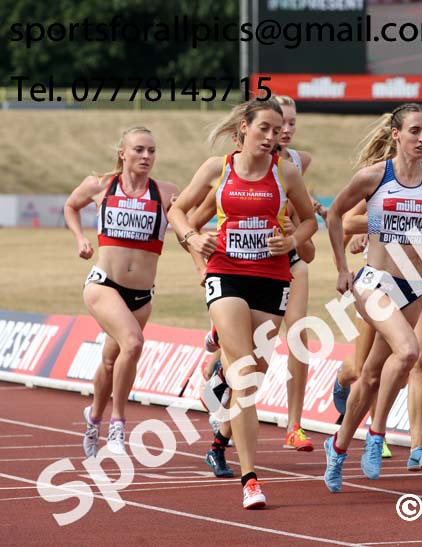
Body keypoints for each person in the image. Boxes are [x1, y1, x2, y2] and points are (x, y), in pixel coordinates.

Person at [167, 99, 318, 509]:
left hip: (271, 280)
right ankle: (251, 479)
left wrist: (292, 240)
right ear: (244, 130)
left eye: (278, 130)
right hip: (226, 272)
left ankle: (220, 417)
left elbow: (309, 221)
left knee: (248, 375)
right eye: (264, 129)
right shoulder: (219, 167)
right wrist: (192, 238)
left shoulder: (285, 172)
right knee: (248, 374)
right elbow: (178, 211)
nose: (272, 137)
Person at [323, 103, 422, 492]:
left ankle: (339, 447)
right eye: (414, 131)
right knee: (410, 352)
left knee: (371, 374)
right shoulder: (374, 177)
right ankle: (376, 436)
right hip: (374, 282)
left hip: (416, 284)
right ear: (396, 134)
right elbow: (334, 216)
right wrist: (342, 269)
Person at [334, 132, 422, 471]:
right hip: (379, 281)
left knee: (418, 359)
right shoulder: (386, 177)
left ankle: (419, 446)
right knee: (365, 369)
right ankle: (342, 385)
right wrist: (380, 227)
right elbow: (349, 219)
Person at [64, 126, 178, 457]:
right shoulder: (101, 185)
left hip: (141, 296)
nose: (146, 156)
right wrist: (80, 238)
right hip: (103, 285)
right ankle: (118, 424)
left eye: (152, 151)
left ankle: (93, 417)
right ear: (123, 153)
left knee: (111, 359)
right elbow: (72, 206)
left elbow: (188, 221)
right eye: (139, 150)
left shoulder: (166, 192)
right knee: (134, 343)